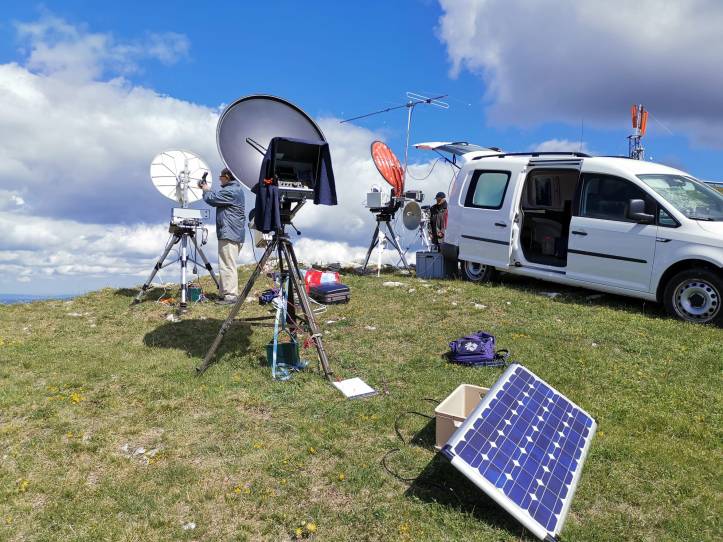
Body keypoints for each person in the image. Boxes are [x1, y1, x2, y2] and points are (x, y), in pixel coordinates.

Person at [199, 167, 245, 304]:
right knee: (226, 263)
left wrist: (205, 189)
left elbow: (213, 199)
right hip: (232, 233)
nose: (219, 179)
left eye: (221, 176)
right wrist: (207, 189)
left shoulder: (231, 191)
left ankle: (230, 296)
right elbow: (217, 197)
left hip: (229, 233)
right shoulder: (233, 190)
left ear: (227, 177)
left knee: (227, 265)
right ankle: (224, 293)